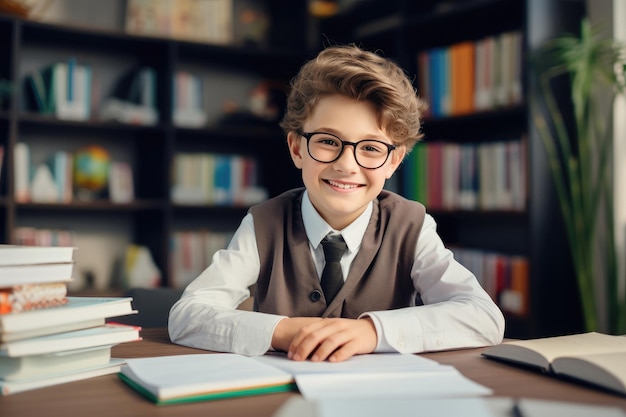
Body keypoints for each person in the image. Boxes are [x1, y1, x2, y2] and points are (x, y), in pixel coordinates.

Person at [168, 44, 505, 363]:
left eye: (371, 148)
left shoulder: (410, 225)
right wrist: (284, 330)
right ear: (297, 148)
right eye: (329, 141)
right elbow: (188, 315)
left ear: (394, 161)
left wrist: (372, 331)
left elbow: (483, 317)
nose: (347, 164)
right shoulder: (264, 223)